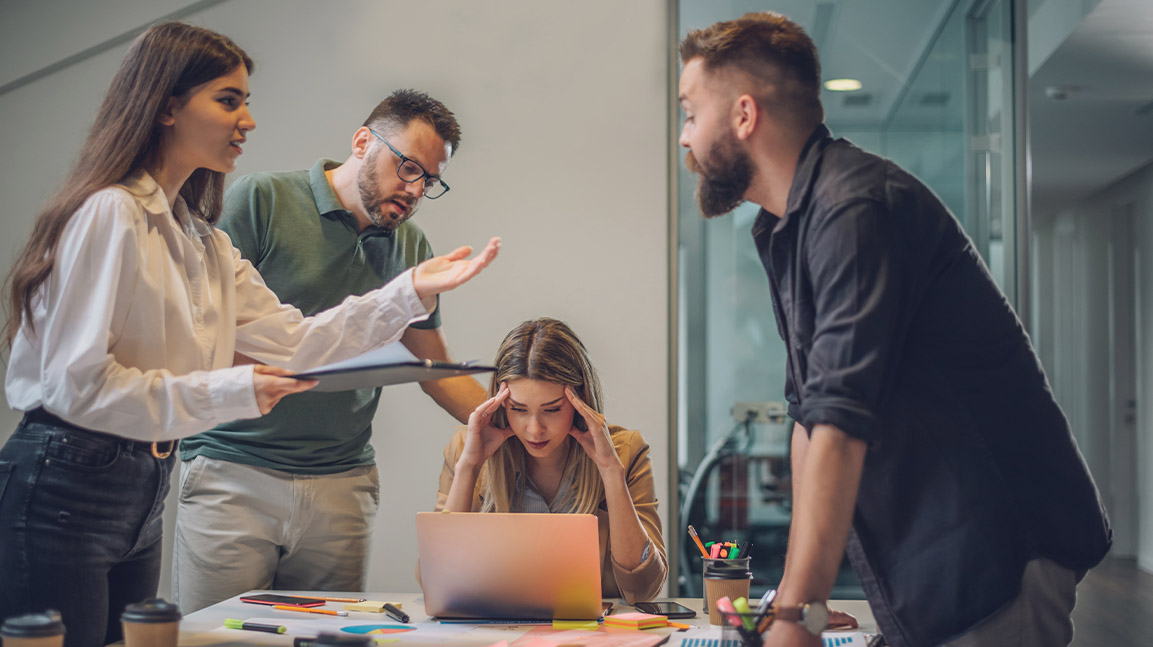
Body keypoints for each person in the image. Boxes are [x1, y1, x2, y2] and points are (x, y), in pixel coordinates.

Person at [0, 23, 498, 647]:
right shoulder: (112, 212)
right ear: (166, 105)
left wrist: (411, 288)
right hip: (69, 476)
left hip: (145, 480)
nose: (248, 121)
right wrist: (233, 392)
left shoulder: (201, 239)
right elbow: (79, 388)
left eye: (247, 102)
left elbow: (295, 340)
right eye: (229, 101)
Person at [677, 12, 1110, 647]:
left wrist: (798, 617)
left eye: (691, 113)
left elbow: (840, 424)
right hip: (934, 569)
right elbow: (809, 419)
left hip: (1001, 555)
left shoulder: (855, 209)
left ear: (744, 116)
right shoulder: (787, 228)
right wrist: (795, 606)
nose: (684, 138)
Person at [172, 89, 489, 613]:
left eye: (429, 181)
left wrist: (509, 420)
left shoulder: (411, 246)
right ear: (363, 142)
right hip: (234, 468)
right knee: (215, 634)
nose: (414, 190)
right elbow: (203, 335)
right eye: (407, 167)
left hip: (341, 481)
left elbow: (433, 367)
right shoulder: (261, 201)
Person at [432, 318, 667, 604]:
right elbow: (438, 582)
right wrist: (469, 467)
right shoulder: (466, 449)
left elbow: (643, 589)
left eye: (552, 409)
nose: (534, 429)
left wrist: (610, 471)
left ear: (581, 401)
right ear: (501, 403)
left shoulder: (627, 452)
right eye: (518, 409)